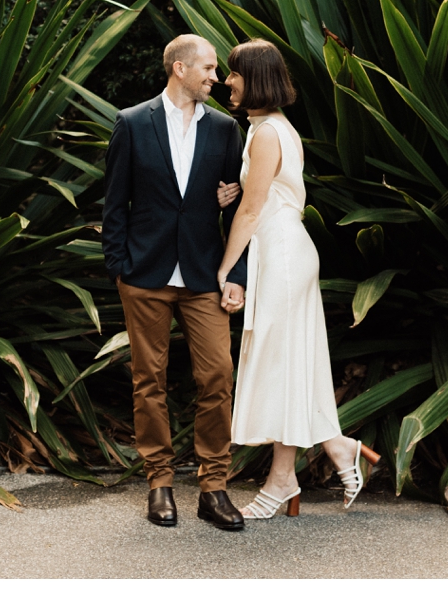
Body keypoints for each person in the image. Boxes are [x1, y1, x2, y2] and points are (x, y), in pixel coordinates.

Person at [217, 38, 380, 519]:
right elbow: (262, 194)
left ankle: (283, 479)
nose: (228, 81)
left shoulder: (266, 134)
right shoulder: (274, 129)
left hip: (280, 255)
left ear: (256, 79)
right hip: (286, 249)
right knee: (291, 363)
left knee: (278, 365)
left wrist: (227, 266)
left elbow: (253, 210)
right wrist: (238, 189)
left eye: (235, 73)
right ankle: (337, 447)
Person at [101, 34, 250, 531]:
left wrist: (238, 275)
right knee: (150, 382)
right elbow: (114, 201)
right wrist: (119, 266)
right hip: (144, 274)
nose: (216, 77)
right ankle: (159, 483)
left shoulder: (227, 129)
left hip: (206, 274)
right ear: (179, 68)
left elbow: (239, 210)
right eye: (208, 68)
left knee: (217, 377)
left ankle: (214, 488)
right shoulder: (131, 122)